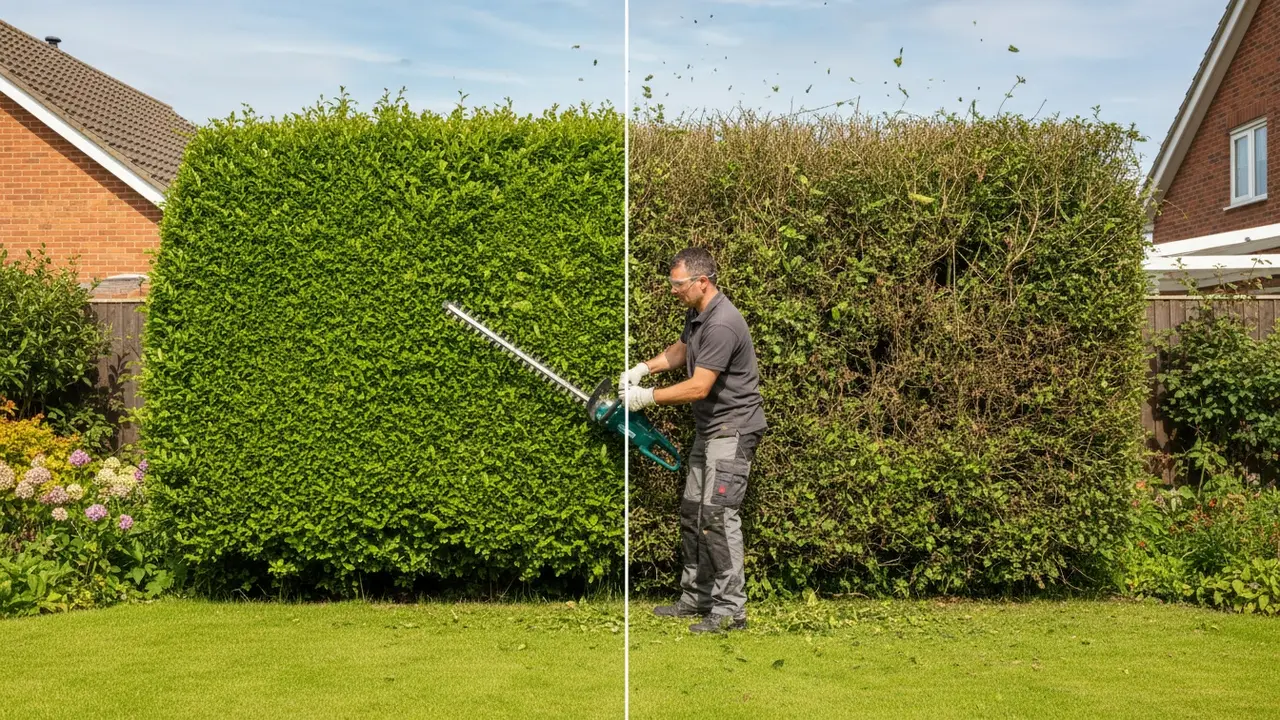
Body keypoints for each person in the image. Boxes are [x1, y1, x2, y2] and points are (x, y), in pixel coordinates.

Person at [619, 247, 767, 633]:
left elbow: (699, 387)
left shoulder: (722, 324)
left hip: (732, 430)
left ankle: (731, 610)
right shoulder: (699, 314)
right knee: (693, 512)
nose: (673, 290)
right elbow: (681, 350)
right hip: (710, 431)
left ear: (702, 282)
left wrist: (646, 397)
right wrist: (643, 369)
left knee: (718, 515)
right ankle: (697, 597)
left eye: (678, 284)